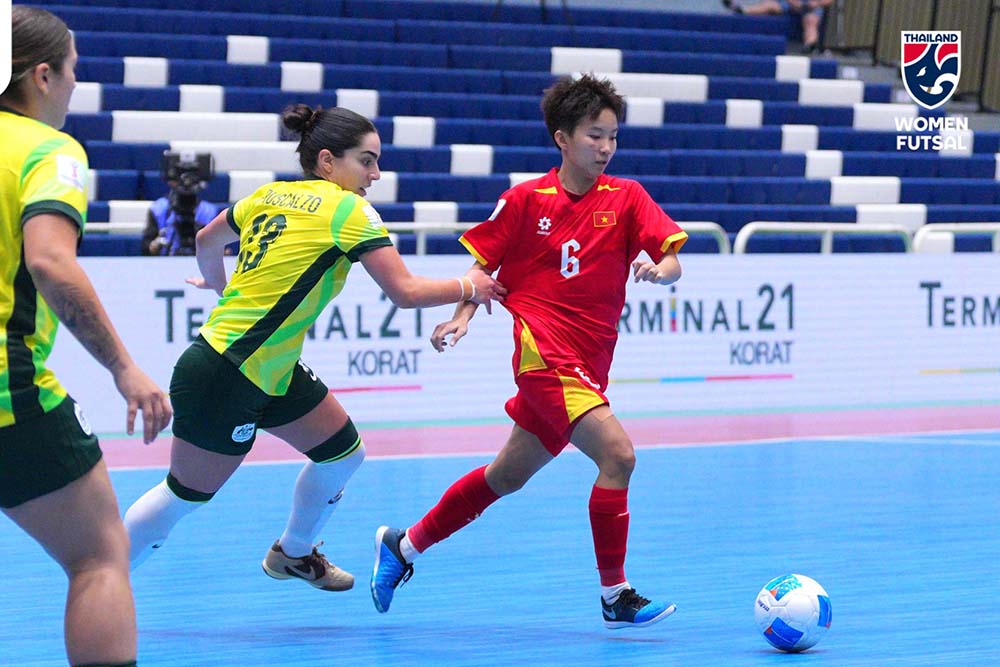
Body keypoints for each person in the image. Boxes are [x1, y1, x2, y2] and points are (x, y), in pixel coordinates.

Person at [123, 104, 506, 593]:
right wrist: (470, 287)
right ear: (328, 161)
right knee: (185, 496)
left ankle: (294, 553)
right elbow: (404, 292)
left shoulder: (269, 194)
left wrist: (221, 287)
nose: (375, 173)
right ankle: (103, 578)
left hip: (267, 368)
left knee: (342, 453)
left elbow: (205, 239)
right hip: (228, 372)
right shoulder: (348, 209)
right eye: (366, 161)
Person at [370, 74, 688, 629]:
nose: (606, 147)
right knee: (619, 456)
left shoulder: (628, 197)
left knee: (505, 477)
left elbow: (672, 258)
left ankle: (404, 547)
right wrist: (461, 315)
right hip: (544, 355)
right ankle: (616, 594)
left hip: (589, 363)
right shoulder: (523, 200)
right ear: (562, 138)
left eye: (613, 136)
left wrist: (659, 271)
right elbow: (482, 269)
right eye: (595, 135)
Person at [0, 7, 173, 667]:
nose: (75, 85)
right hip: (7, 392)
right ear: (42, 75)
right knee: (98, 555)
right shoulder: (48, 150)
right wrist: (124, 366)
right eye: (73, 71)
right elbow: (48, 260)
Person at [722, 0, 833, 54]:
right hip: (794, 5)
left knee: (810, 20)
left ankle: (810, 45)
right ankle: (742, 9)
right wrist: (797, 4)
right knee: (770, 5)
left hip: (812, 7)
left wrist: (815, 4)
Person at [140, 188, 218, 256]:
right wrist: (153, 246)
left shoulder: (209, 211)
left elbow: (219, 248)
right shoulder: (159, 208)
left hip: (200, 264)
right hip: (165, 263)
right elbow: (146, 248)